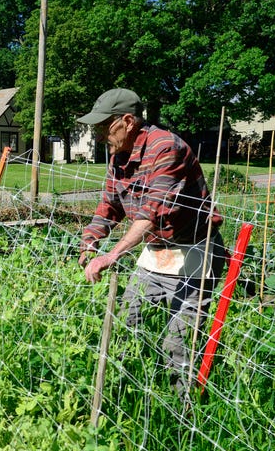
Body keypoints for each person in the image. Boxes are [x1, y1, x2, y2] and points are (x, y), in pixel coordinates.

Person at [76, 88, 226, 394]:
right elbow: (108, 207)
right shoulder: (119, 158)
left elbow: (151, 212)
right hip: (157, 251)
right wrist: (90, 242)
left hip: (193, 250)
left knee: (178, 340)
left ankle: (182, 412)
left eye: (106, 126)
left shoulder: (166, 148)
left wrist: (111, 255)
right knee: (126, 320)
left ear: (128, 121)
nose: (101, 134)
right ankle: (123, 395)